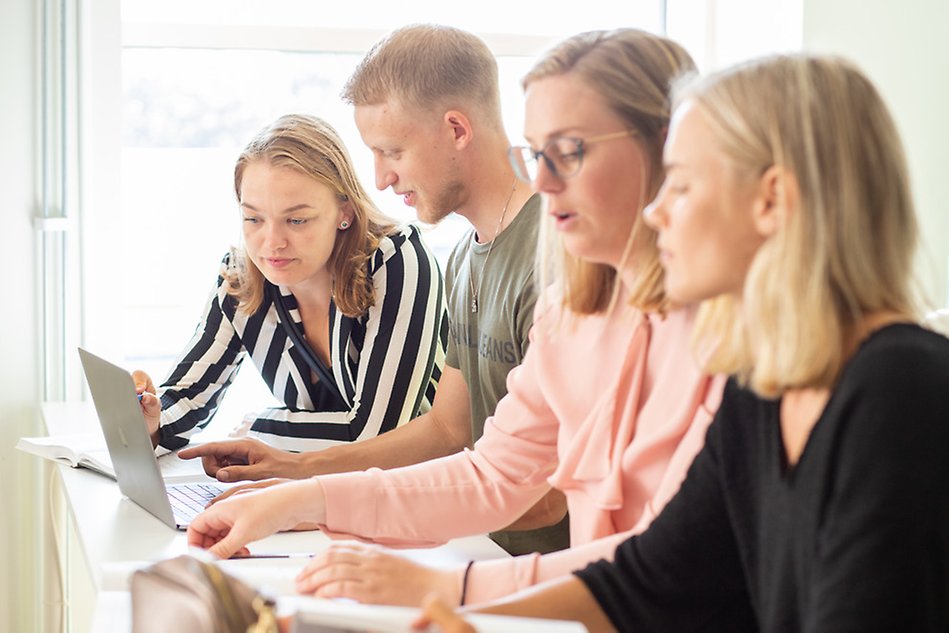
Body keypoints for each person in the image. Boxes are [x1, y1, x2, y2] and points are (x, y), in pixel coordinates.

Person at [186, 28, 727, 609]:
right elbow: (490, 472)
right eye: (538, 154)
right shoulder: (567, 309)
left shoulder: (723, 335)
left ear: (667, 150)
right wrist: (295, 498)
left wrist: (450, 588)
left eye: (567, 153)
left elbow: (659, 558)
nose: (542, 182)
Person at [420, 54, 949, 631]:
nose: (656, 210)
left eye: (683, 185)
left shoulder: (898, 388)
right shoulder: (762, 387)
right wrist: (456, 615)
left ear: (771, 200)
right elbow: (647, 580)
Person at [178, 24, 570, 556]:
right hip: (483, 545)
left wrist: (313, 498)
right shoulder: (464, 257)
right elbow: (446, 431)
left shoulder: (557, 255)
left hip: (548, 563)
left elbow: (543, 494)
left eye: (393, 151)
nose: (381, 179)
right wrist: (297, 478)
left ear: (456, 129)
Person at [134, 113, 447, 453]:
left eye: (296, 220)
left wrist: (260, 429)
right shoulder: (241, 277)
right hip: (317, 489)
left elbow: (377, 437)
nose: (271, 243)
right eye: (253, 218)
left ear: (346, 212)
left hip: (424, 488)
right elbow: (188, 398)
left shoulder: (396, 260)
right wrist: (153, 420)